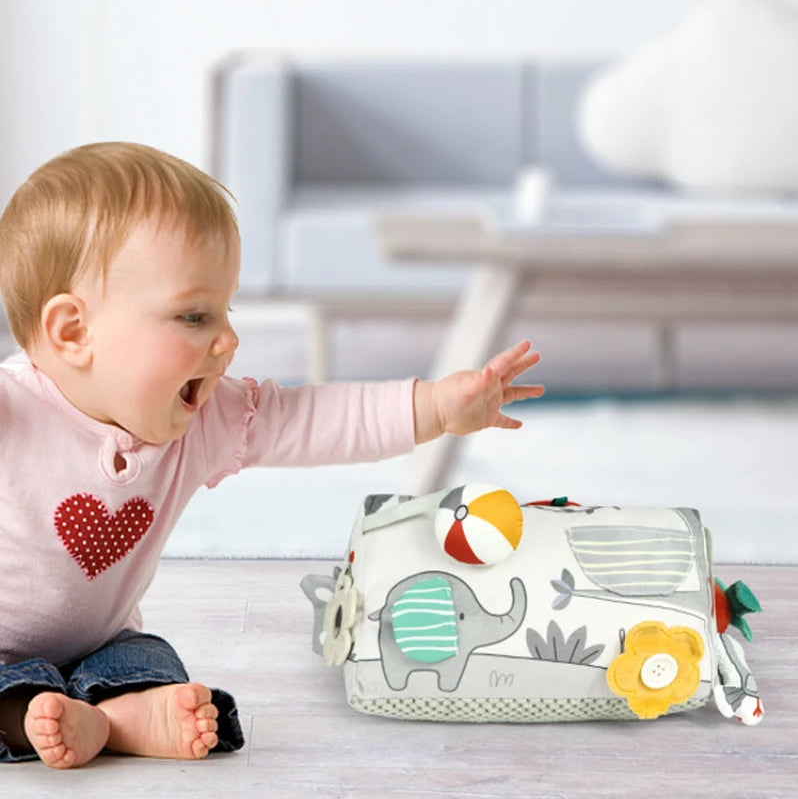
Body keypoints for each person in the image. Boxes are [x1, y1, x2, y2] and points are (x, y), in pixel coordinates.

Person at [0, 142, 544, 769]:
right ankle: (52, 714)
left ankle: (118, 714)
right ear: (73, 332)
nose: (229, 340)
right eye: (195, 315)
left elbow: (316, 419)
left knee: (148, 664)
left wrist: (438, 407)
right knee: (15, 693)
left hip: (101, 644)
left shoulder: (204, 420)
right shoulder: (14, 414)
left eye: (225, 310)